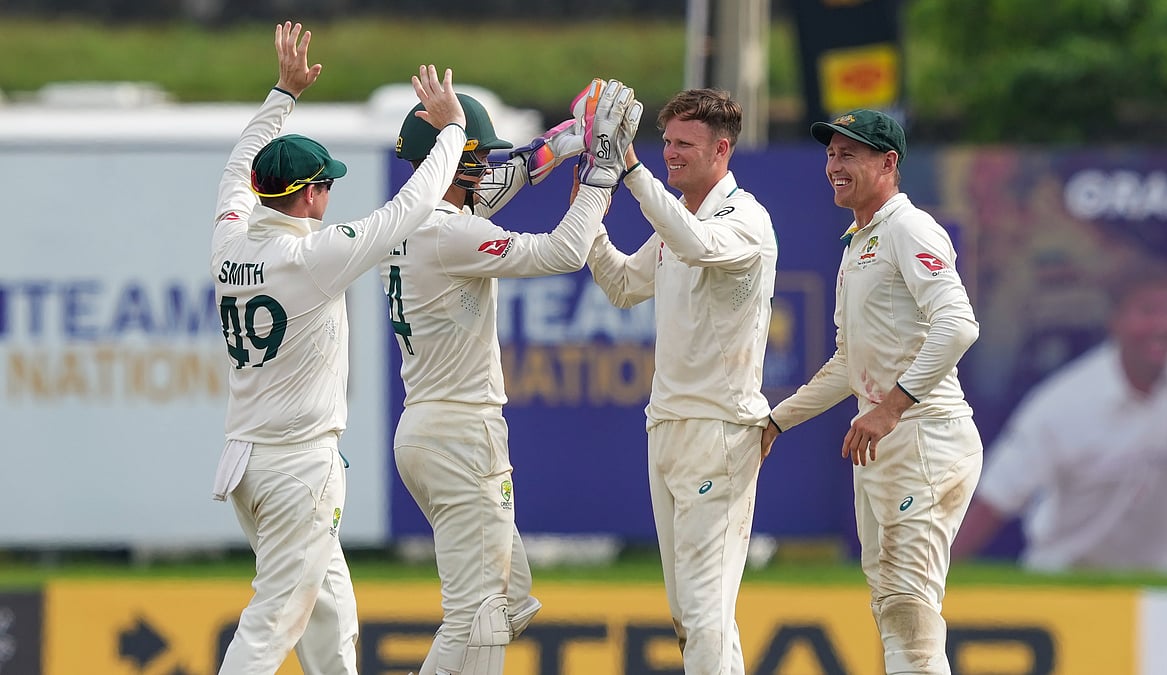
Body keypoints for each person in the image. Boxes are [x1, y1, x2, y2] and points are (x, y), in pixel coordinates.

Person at [208, 21, 466, 674]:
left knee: (329, 614)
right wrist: (453, 133)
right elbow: (405, 212)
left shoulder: (231, 236)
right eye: (327, 185)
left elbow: (240, 163)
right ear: (309, 194)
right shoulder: (310, 257)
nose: (332, 196)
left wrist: (282, 94)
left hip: (248, 460)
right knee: (273, 622)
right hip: (298, 467)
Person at [383, 79, 642, 675]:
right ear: (461, 160)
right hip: (461, 435)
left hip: (428, 429)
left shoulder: (409, 220)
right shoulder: (452, 234)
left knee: (504, 597)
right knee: (479, 613)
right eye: (479, 156)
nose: (487, 167)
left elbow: (511, 174)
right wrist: (601, 171)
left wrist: (568, 138)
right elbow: (562, 253)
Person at [760, 109, 982, 675]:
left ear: (889, 163)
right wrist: (776, 421)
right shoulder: (861, 239)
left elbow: (958, 324)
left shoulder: (909, 228)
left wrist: (889, 408)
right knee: (893, 608)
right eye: (832, 154)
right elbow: (848, 364)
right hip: (889, 448)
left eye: (849, 155)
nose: (834, 165)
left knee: (909, 610)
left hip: (925, 440)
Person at [586, 87, 777, 674]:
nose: (670, 154)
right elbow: (622, 286)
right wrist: (589, 212)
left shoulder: (744, 218)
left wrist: (633, 171)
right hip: (667, 426)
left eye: (684, 145)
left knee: (702, 609)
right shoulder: (679, 218)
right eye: (665, 142)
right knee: (692, 610)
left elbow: (696, 248)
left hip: (720, 432)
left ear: (722, 149)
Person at [953, 260, 1167, 573]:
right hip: (1066, 580)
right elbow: (995, 500)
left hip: (1157, 582)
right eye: (1148, 311)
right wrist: (926, 589)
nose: (1162, 325)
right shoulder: (1063, 404)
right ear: (1116, 320)